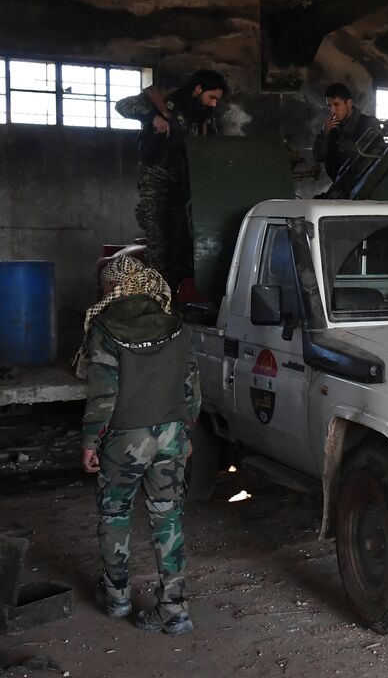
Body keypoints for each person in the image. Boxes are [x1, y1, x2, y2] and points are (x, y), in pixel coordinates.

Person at [78, 255, 201, 635]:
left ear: (114, 287)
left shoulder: (104, 327)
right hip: (171, 434)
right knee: (168, 517)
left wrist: (89, 441)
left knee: (115, 514)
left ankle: (117, 598)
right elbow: (191, 388)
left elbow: (103, 396)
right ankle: (174, 609)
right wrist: (187, 431)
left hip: (124, 439)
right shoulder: (177, 325)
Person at [115, 70, 227, 289]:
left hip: (184, 185)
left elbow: (211, 148)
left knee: (180, 244)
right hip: (156, 178)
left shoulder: (203, 118)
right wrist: (153, 117)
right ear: (198, 89)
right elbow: (123, 105)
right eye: (211, 97)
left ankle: (172, 299)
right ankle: (155, 300)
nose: (213, 104)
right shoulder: (168, 102)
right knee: (159, 242)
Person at [313, 83, 380, 187]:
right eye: (329, 106)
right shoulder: (330, 127)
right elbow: (319, 157)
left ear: (349, 103)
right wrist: (325, 134)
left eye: (336, 105)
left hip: (363, 187)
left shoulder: (368, 123)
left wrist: (346, 146)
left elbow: (377, 155)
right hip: (339, 187)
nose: (332, 110)